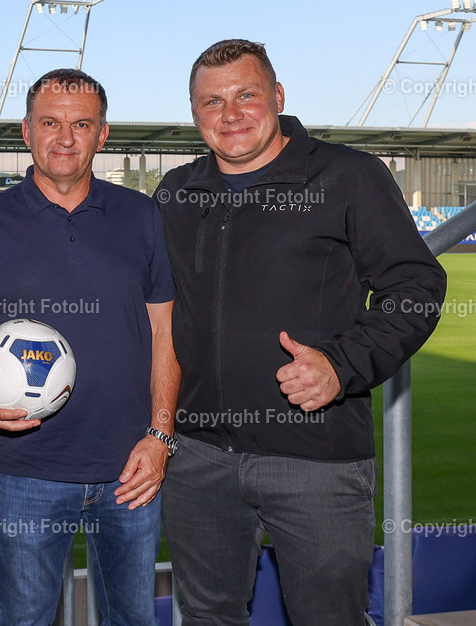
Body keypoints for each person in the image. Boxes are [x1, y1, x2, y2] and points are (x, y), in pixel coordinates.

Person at [155, 39, 448, 625]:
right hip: (199, 458)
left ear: (278, 96)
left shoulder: (348, 176)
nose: (230, 114)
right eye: (211, 102)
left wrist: (342, 364)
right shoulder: (176, 192)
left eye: (246, 95)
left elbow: (416, 288)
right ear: (194, 114)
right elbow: (153, 311)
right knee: (209, 617)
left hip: (315, 459)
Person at [0, 68, 180, 625]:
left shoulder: (142, 218)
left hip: (131, 469)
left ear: (103, 134)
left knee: (131, 621)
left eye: (81, 124)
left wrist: (161, 436)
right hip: (27, 470)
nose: (64, 137)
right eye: (50, 122)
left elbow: (166, 335)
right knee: (25, 621)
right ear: (26, 130)